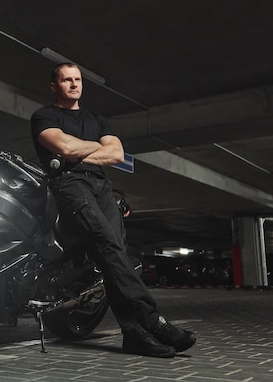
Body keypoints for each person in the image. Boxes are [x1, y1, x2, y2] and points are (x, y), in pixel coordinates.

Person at [30, 63, 196, 358]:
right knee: (107, 246)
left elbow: (117, 154)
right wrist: (95, 149)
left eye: (78, 79)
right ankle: (152, 320)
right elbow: (65, 150)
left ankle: (134, 336)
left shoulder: (97, 119)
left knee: (115, 253)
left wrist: (82, 149)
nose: (74, 84)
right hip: (69, 184)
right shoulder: (44, 116)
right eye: (66, 80)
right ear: (54, 86)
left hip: (100, 187)